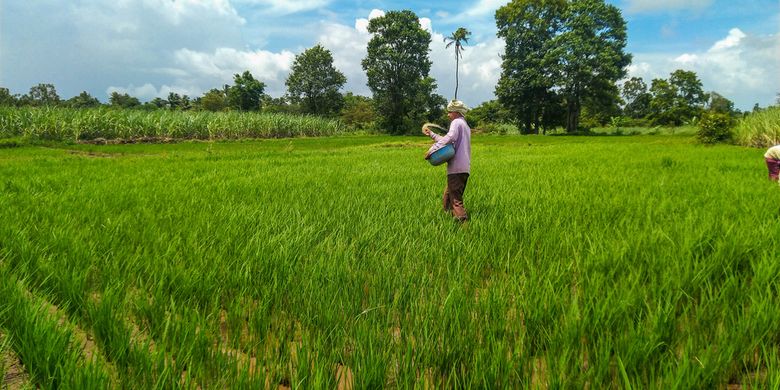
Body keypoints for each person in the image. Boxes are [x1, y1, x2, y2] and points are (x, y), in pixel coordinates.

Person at [424, 100, 472, 221]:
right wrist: (432, 134)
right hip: (464, 168)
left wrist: (432, 149)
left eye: (449, 112)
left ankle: (464, 227)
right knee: (447, 197)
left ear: (456, 112)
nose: (448, 115)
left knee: (456, 200)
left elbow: (450, 138)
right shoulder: (465, 125)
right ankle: (447, 222)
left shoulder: (456, 122)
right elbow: (449, 140)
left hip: (456, 168)